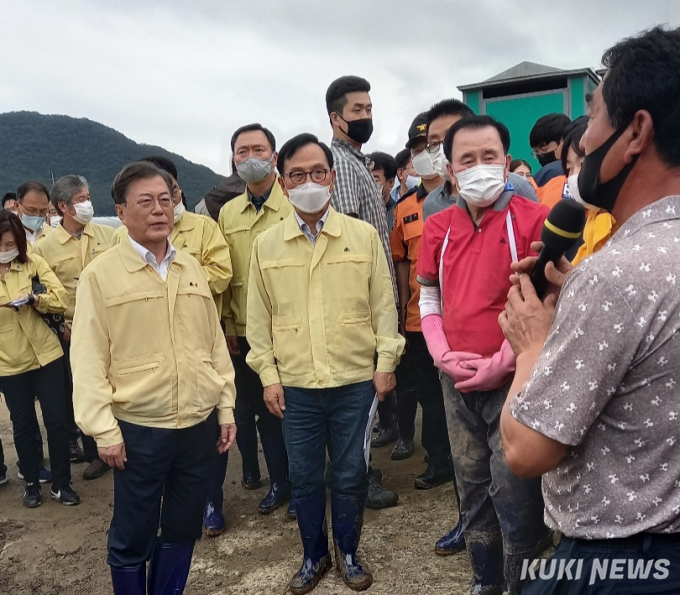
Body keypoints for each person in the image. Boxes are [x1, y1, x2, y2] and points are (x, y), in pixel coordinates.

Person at [500, 26, 680, 594]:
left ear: (635, 133)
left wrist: (532, 347)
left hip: (621, 563)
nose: (583, 141)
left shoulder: (616, 276)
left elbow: (527, 450)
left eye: (594, 116)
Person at [246, 133, 405, 593]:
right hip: (295, 384)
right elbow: (259, 321)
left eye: (318, 172)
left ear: (333, 178)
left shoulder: (362, 236)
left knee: (353, 471)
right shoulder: (267, 246)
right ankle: (314, 554)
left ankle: (349, 552)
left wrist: (386, 361)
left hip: (355, 380)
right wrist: (269, 376)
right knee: (303, 474)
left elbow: (384, 305)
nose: (309, 181)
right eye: (297, 174)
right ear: (282, 181)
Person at [71, 161, 237, 595]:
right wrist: (102, 429)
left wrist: (225, 406)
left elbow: (213, 345)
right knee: (132, 533)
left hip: (197, 424)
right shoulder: (101, 276)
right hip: (140, 428)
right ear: (121, 212)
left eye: (166, 200)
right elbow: (87, 357)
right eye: (145, 202)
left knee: (183, 527)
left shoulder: (192, 269)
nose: (159, 210)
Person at [417, 116, 552, 595]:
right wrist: (441, 353)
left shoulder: (533, 222)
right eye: (467, 160)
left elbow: (543, 303)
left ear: (507, 160)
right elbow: (429, 296)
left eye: (489, 157)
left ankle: (522, 584)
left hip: (513, 379)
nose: (479, 168)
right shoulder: (438, 227)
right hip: (456, 381)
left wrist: (504, 358)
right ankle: (484, 581)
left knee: (514, 487)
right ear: (451, 170)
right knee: (471, 482)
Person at [136, 156, 233, 535]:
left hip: (199, 341)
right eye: (148, 199)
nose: (160, 206)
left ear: (177, 190)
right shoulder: (123, 239)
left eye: (168, 192)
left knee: (206, 427)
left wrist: (171, 284)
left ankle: (211, 501)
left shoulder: (204, 228)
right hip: (150, 349)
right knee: (160, 428)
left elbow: (222, 274)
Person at [326, 75, 399, 509]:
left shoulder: (359, 160)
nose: (366, 116)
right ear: (336, 117)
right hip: (360, 296)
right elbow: (349, 239)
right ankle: (357, 476)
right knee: (359, 393)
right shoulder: (343, 164)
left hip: (374, 290)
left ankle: (355, 469)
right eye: (357, 110)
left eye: (369, 109)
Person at [218, 124, 294, 519]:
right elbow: (227, 276)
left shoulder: (295, 204)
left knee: (298, 410)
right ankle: (280, 481)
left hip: (293, 327)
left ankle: (303, 483)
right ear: (233, 159)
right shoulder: (229, 213)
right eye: (242, 151)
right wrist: (230, 326)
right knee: (265, 410)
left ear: (274, 156)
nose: (250, 157)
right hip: (249, 333)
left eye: (258, 149)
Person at [34, 175, 115, 480]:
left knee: (116, 384)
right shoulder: (46, 247)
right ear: (63, 207)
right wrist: (60, 326)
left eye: (87, 196)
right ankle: (94, 452)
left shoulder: (108, 236)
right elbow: (42, 292)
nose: (87, 204)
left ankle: (120, 440)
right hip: (70, 330)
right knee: (83, 390)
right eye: (81, 199)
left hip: (110, 325)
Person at [390, 112, 454, 491]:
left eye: (428, 146)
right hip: (420, 319)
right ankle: (438, 459)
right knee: (430, 396)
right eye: (418, 150)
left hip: (462, 317)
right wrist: (401, 312)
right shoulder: (404, 208)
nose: (423, 156)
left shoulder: (465, 194)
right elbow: (400, 265)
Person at [0, 209, 79, 508]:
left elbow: (61, 299)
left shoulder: (32, 263)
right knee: (23, 425)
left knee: (57, 421)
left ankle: (62, 483)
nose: (7, 251)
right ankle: (31, 483)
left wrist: (36, 299)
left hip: (47, 355)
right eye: (2, 245)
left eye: (12, 245)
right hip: (9, 361)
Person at [422, 99, 538, 222]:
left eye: (450, 136)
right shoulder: (431, 204)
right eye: (434, 143)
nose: (443, 149)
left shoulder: (518, 186)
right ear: (451, 171)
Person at [560, 119, 618, 265]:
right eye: (569, 169)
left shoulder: (627, 222)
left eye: (582, 163)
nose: (575, 176)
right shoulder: (590, 223)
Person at [530, 113, 571, 208]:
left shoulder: (554, 172)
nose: (540, 155)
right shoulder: (542, 177)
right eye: (536, 152)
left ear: (563, 141)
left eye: (544, 148)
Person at [15, 182, 53, 247]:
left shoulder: (52, 235)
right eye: (31, 210)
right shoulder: (7, 234)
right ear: (17, 206)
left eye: (43, 211)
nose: (37, 215)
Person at [368, 151, 398, 230]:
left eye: (374, 179)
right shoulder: (358, 213)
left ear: (390, 183)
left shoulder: (398, 213)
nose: (368, 183)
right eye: (366, 177)